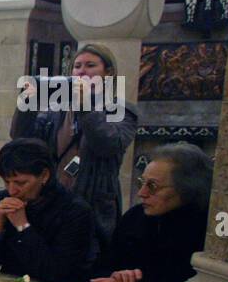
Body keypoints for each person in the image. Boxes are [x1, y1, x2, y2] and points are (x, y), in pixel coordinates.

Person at [11, 43, 137, 259]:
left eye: (90, 66)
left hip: (92, 205)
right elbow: (22, 140)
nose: (82, 71)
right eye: (77, 66)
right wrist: (26, 106)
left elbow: (108, 144)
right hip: (52, 203)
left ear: (108, 74)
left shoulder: (121, 110)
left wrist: (86, 106)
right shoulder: (56, 112)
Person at [90, 143, 212, 282]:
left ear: (186, 188)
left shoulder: (205, 230)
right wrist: (116, 276)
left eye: (152, 186)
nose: (141, 193)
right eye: (142, 182)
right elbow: (99, 269)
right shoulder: (134, 217)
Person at [0, 138, 94, 282]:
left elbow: (57, 272)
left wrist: (23, 227)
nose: (12, 191)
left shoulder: (75, 211)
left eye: (20, 183)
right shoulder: (1, 200)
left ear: (44, 176)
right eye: (7, 182)